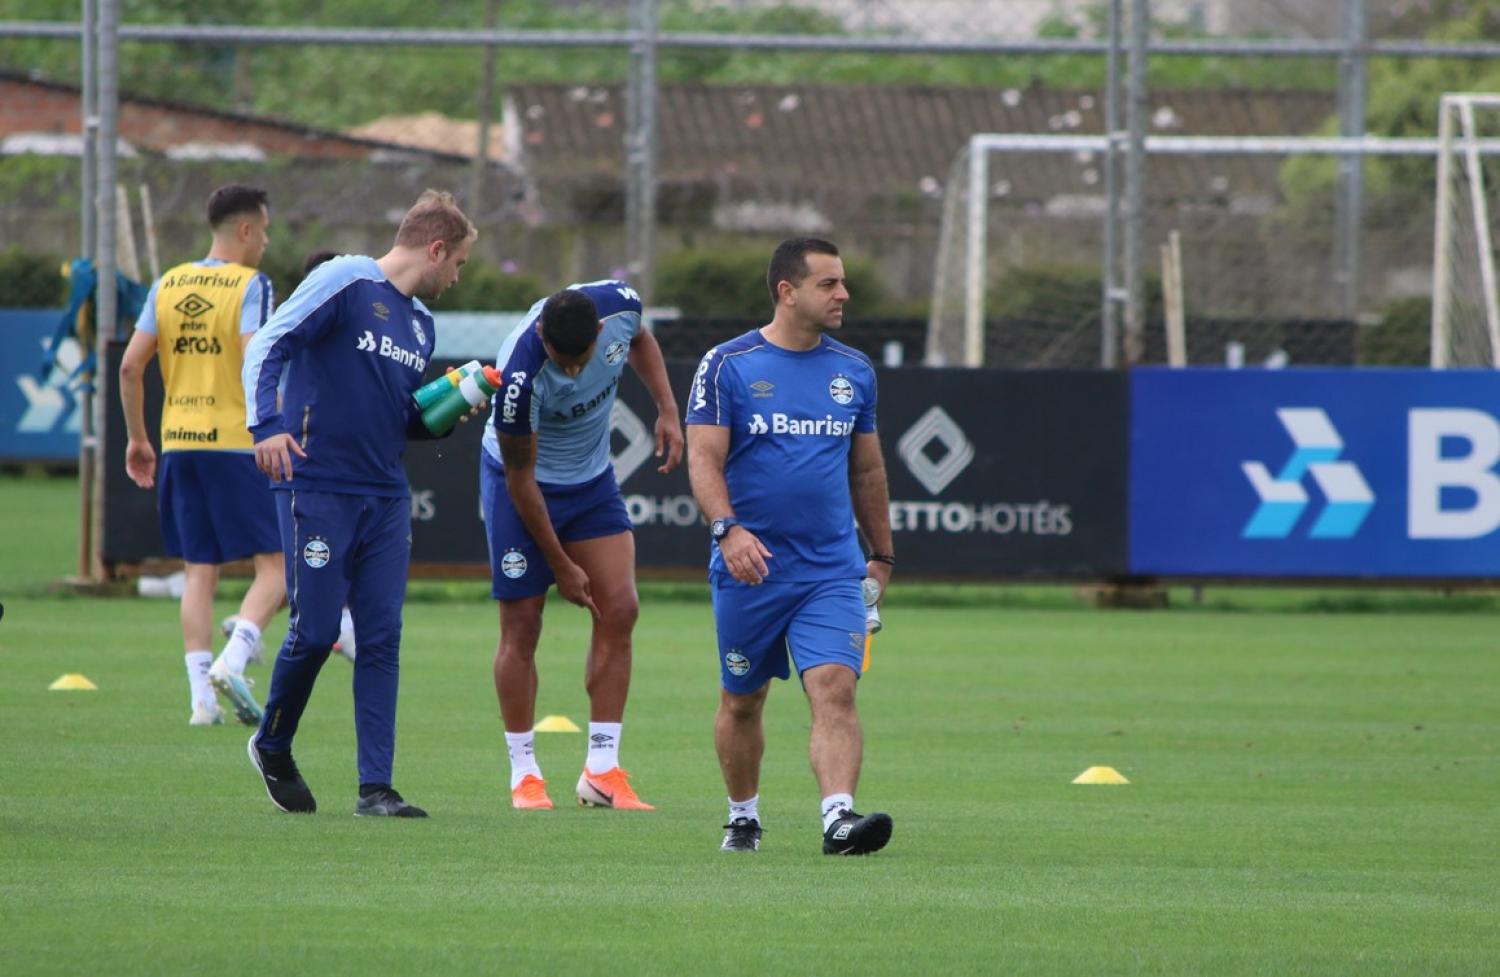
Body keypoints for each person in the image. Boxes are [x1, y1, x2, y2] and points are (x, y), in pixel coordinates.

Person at [241, 189, 476, 818]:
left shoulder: (421, 325)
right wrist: (264, 425)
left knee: (380, 638)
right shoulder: (345, 278)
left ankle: (376, 787)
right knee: (315, 632)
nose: (457, 278)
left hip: (385, 496)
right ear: (435, 248)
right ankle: (272, 742)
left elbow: (403, 419)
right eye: (458, 263)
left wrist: (447, 410)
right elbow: (269, 343)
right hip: (317, 485)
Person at [685, 238, 896, 855]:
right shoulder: (728, 364)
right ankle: (743, 816)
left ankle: (838, 819)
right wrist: (728, 530)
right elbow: (703, 458)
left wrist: (881, 555)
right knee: (742, 700)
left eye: (842, 283)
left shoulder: (854, 371)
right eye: (829, 284)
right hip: (750, 570)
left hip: (831, 568)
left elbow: (868, 473)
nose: (843, 295)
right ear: (788, 291)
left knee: (834, 685)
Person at [481, 280, 682, 811]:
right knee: (522, 624)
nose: (571, 372)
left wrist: (666, 407)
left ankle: (601, 770)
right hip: (520, 485)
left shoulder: (621, 310)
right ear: (542, 334)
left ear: (597, 331)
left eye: (581, 359)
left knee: (620, 607)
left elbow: (641, 339)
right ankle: (524, 773)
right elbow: (521, 482)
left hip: (591, 482)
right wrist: (562, 565)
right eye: (559, 360)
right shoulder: (520, 379)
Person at [118, 183, 284, 728]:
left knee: (199, 572)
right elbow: (253, 357)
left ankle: (200, 702)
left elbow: (130, 366)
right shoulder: (251, 285)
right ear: (243, 230)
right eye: (262, 229)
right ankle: (234, 659)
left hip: (179, 443)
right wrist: (278, 421)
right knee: (279, 569)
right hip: (236, 443)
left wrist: (138, 438)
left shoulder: (168, 283)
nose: (265, 240)